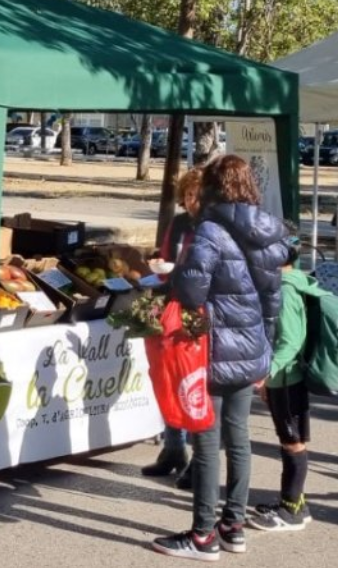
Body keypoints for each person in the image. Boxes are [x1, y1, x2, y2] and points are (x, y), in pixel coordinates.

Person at [151, 155, 291, 562]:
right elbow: (272, 300)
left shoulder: (210, 230)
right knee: (239, 437)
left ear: (214, 187)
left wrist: (175, 274)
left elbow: (191, 291)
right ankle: (233, 526)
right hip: (250, 349)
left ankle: (202, 536)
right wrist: (265, 351)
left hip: (212, 349)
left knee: (207, 441)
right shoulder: (268, 233)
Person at [250, 242, 318, 532]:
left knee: (293, 441)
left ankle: (291, 509)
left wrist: (268, 371)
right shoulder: (292, 282)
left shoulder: (286, 290)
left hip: (288, 378)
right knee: (289, 438)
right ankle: (295, 502)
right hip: (286, 378)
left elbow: (290, 340)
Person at [143, 168, 203, 488]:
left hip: (199, 311)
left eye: (197, 195)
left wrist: (178, 272)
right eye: (188, 195)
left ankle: (199, 460)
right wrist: (160, 266)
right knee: (167, 378)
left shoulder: (215, 226)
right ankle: (173, 448)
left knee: (193, 384)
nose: (191, 201)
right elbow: (167, 257)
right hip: (171, 307)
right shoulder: (179, 223)